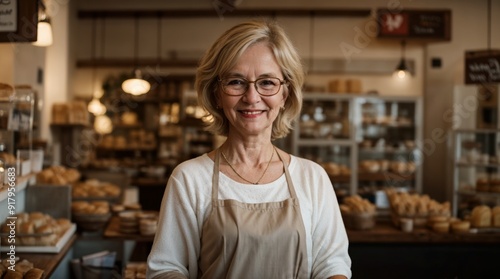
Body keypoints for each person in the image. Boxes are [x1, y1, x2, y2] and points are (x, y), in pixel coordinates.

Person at [147, 20, 352, 279]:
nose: (252, 97)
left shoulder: (312, 178)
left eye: (267, 82)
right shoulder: (189, 178)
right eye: (236, 82)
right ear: (217, 94)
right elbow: (166, 269)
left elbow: (332, 266)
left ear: (284, 94)